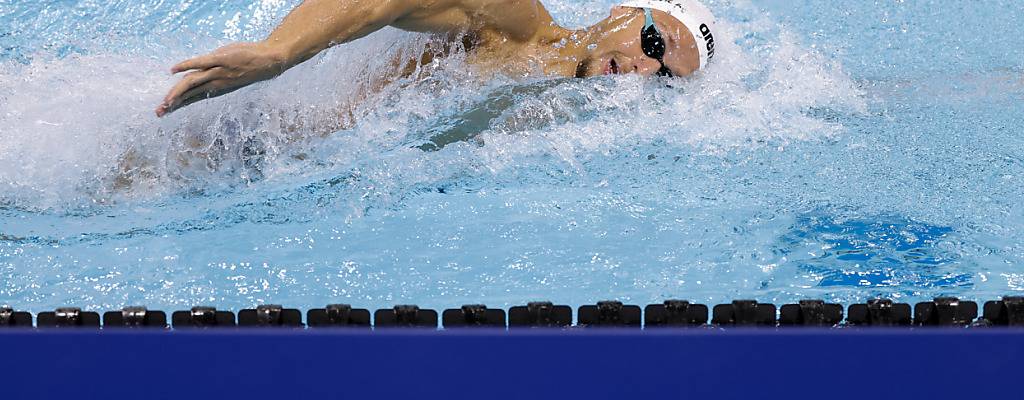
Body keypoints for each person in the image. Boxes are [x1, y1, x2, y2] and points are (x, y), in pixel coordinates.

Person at [156, 0, 718, 118]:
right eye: (654, 46)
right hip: (249, 133)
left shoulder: (572, 119)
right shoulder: (519, 26)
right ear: (625, 12)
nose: (645, 71)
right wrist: (280, 54)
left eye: (664, 79)